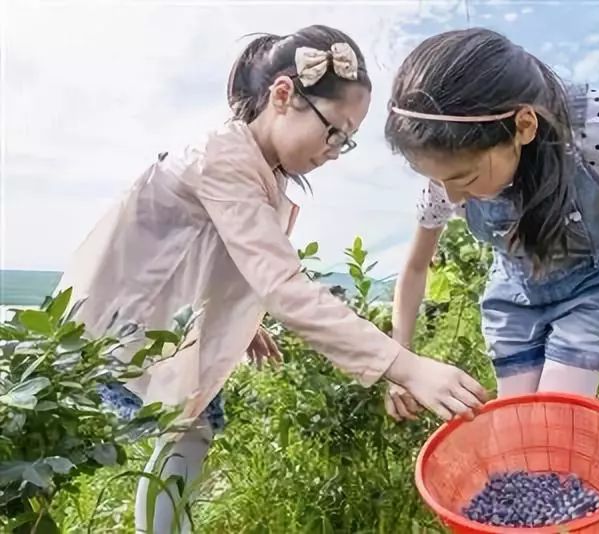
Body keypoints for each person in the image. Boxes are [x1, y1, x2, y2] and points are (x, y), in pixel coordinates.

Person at [55, 25, 486, 533]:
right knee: (122, 446)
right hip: (121, 324)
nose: (334, 149)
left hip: (160, 324)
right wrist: (404, 365)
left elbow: (223, 257)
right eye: (333, 131)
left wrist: (240, 315)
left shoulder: (263, 172)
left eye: (346, 141)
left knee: (187, 437)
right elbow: (282, 283)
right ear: (283, 95)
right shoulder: (224, 158)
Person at [383, 28, 599, 442]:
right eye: (436, 179)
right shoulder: (445, 176)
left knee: (552, 427)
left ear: (523, 125)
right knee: (520, 436)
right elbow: (414, 269)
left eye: (464, 177)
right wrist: (401, 358)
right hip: (515, 295)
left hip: (597, 279)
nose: (450, 195)